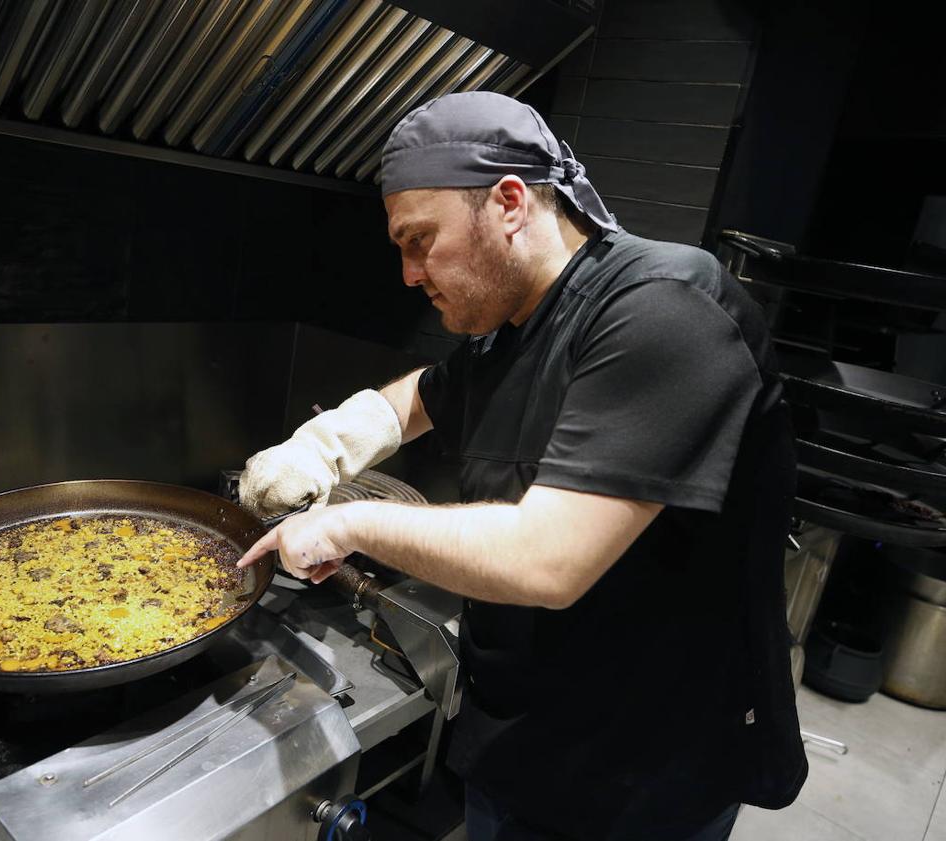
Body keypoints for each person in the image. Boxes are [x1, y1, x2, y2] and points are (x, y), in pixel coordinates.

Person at [236, 92, 806, 841]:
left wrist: (349, 520)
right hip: (525, 732)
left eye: (419, 240)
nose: (409, 274)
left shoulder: (667, 308)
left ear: (508, 202)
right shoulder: (513, 325)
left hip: (639, 773)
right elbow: (425, 393)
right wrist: (331, 441)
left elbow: (550, 560)